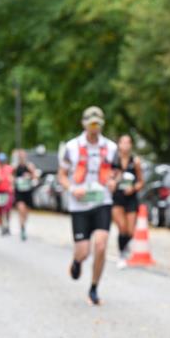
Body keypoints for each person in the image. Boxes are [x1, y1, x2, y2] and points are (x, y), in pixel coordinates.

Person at [58, 106, 118, 306]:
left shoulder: (111, 147)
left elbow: (116, 171)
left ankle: (93, 287)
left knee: (101, 245)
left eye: (97, 123)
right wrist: (71, 189)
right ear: (84, 124)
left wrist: (113, 182)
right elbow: (62, 175)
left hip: (102, 201)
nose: (94, 127)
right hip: (80, 204)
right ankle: (77, 261)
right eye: (91, 123)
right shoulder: (72, 146)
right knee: (83, 252)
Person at [109, 134, 145, 268]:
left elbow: (141, 182)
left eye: (128, 142)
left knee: (130, 231)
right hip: (117, 197)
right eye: (122, 142)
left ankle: (125, 247)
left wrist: (133, 188)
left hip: (130, 197)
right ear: (118, 144)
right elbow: (106, 178)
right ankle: (121, 255)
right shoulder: (113, 160)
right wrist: (111, 182)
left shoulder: (135, 161)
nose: (125, 145)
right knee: (122, 228)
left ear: (131, 145)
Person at [12, 148, 38, 241]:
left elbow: (35, 176)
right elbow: (11, 176)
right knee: (21, 209)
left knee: (26, 212)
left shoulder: (29, 166)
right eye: (20, 156)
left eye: (23, 155)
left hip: (27, 191)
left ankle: (24, 225)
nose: (22, 157)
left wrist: (30, 176)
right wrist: (14, 180)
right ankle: (22, 228)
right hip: (19, 192)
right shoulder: (15, 167)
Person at [0, 152, 15, 236]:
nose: (2, 162)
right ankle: (2, 227)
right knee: (0, 211)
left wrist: (12, 184)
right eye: (0, 161)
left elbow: (12, 178)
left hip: (7, 191)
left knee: (7, 209)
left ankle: (8, 226)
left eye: (3, 161)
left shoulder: (9, 168)